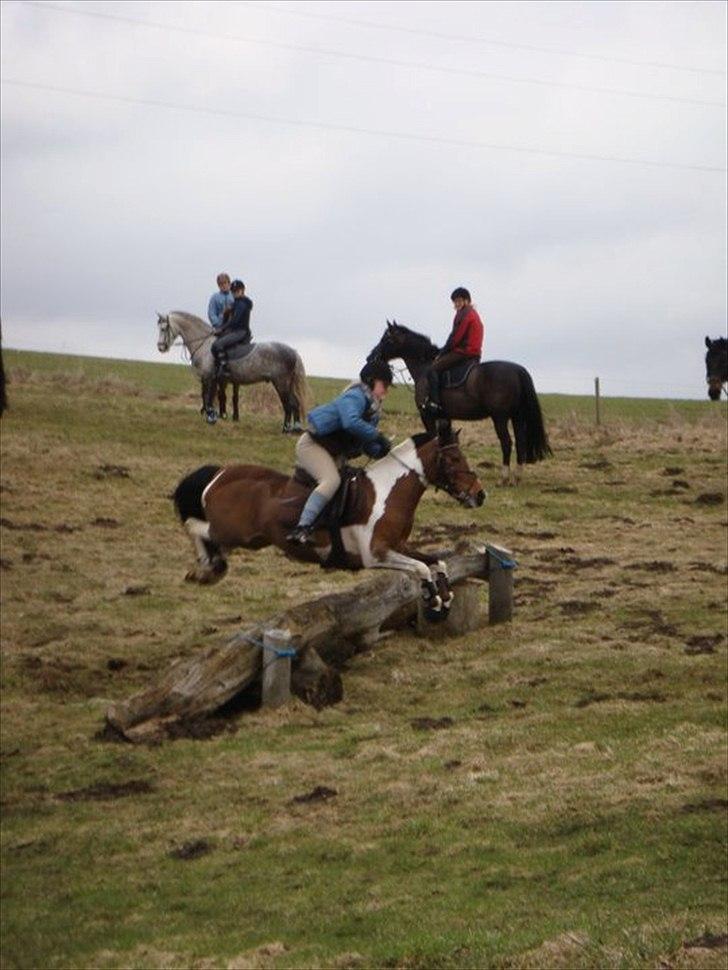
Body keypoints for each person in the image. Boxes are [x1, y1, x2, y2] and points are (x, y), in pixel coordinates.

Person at [286, 360, 394, 544]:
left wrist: (380, 450)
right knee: (331, 481)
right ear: (371, 381)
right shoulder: (355, 396)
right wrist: (377, 435)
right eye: (384, 384)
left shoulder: (372, 409)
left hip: (332, 452)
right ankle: (301, 528)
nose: (387, 390)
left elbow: (363, 442)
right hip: (313, 446)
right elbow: (350, 422)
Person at [423, 287, 484, 414]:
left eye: (459, 301)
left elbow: (456, 338)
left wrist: (442, 353)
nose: (456, 304)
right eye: (455, 302)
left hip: (465, 352)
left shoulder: (466, 315)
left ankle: (435, 403)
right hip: (474, 352)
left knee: (432, 369)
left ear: (466, 301)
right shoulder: (470, 313)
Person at [210, 279, 253, 377]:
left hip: (241, 331)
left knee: (218, 344)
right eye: (233, 292)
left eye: (237, 291)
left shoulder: (242, 304)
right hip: (234, 330)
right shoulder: (236, 303)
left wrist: (221, 329)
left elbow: (234, 320)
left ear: (242, 291)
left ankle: (225, 369)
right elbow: (229, 319)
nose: (235, 294)